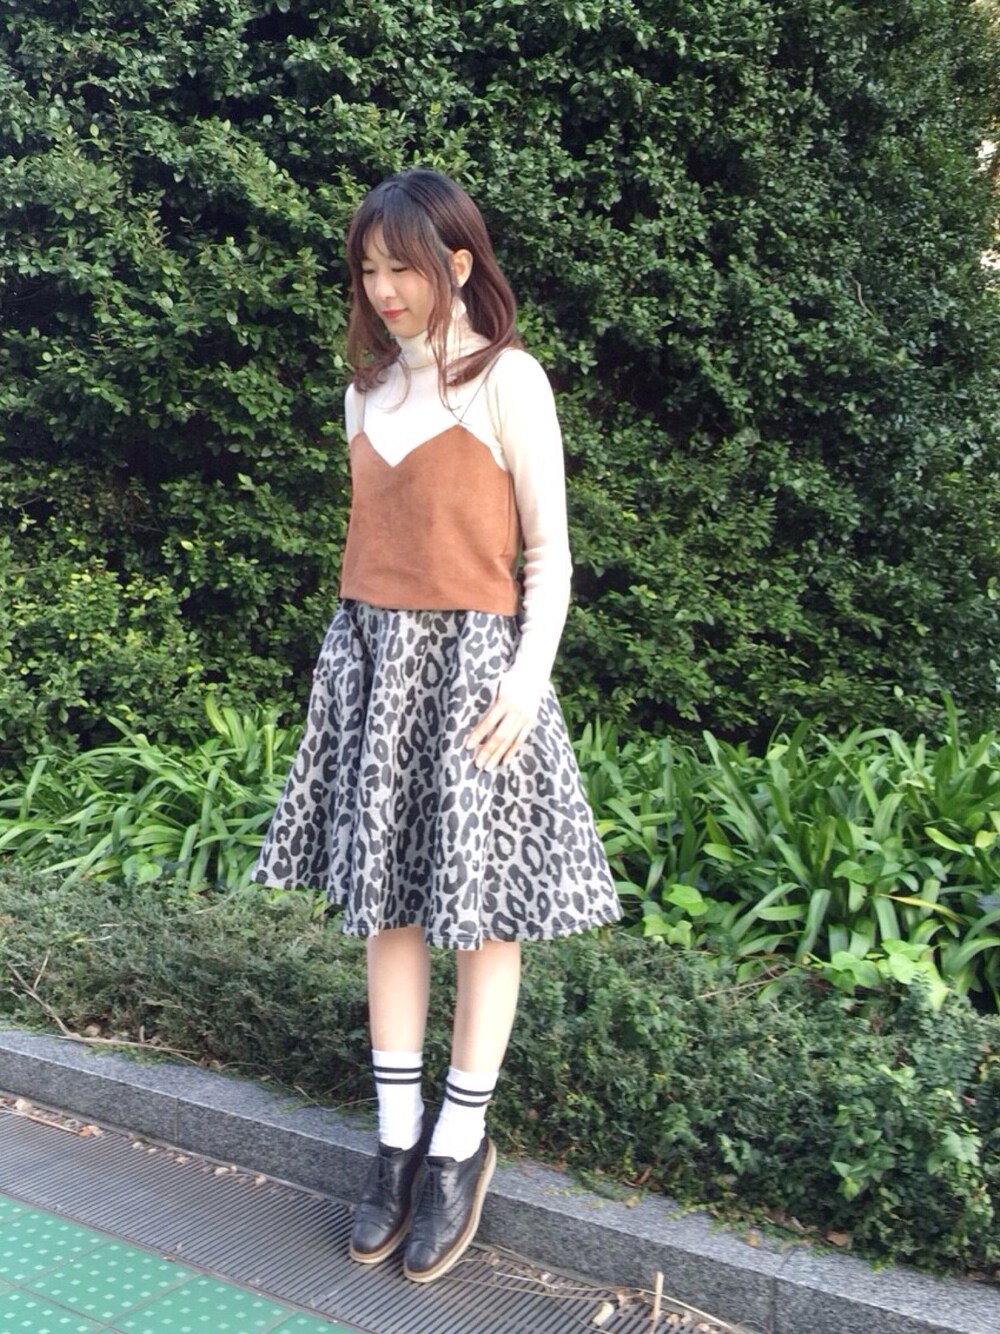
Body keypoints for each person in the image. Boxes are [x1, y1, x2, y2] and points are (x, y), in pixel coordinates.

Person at [253, 168, 620, 1285]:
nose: (384, 289)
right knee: (388, 903)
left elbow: (549, 556)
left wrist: (527, 680)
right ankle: (397, 1137)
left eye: (402, 267)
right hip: (374, 669)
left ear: (456, 263)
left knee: (481, 909)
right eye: (368, 269)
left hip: (476, 680)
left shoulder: (510, 381)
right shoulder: (364, 394)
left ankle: (460, 1144)